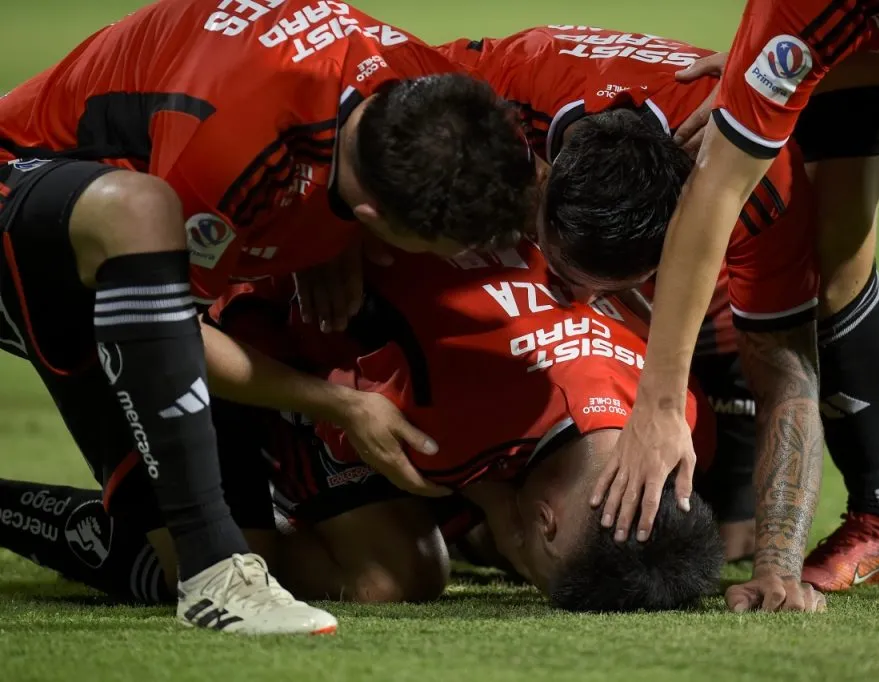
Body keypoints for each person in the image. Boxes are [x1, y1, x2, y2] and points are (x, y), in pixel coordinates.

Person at [0, 0, 536, 632]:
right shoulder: (230, 152)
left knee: (388, 575)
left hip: (182, 240)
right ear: (375, 217)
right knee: (138, 211)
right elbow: (170, 338)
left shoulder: (422, 84)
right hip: (35, 213)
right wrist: (338, 405)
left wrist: (324, 239)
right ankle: (210, 568)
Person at [569, 0, 879, 612]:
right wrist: (661, 403)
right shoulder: (802, 6)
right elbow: (715, 192)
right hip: (848, 22)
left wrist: (804, 72)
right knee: (829, 252)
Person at [0, 240, 744, 612]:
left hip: (381, 280)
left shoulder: (681, 415)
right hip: (210, 305)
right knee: (383, 575)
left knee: (447, 535)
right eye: (534, 569)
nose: (524, 576)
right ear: (545, 520)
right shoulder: (446, 427)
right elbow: (358, 426)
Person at [439, 26, 831, 608]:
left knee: (732, 535)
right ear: (544, 176)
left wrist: (779, 567)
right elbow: (357, 95)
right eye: (560, 265)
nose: (576, 297)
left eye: (608, 288)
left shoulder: (764, 188)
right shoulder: (502, 86)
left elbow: (789, 376)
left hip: (718, 280)